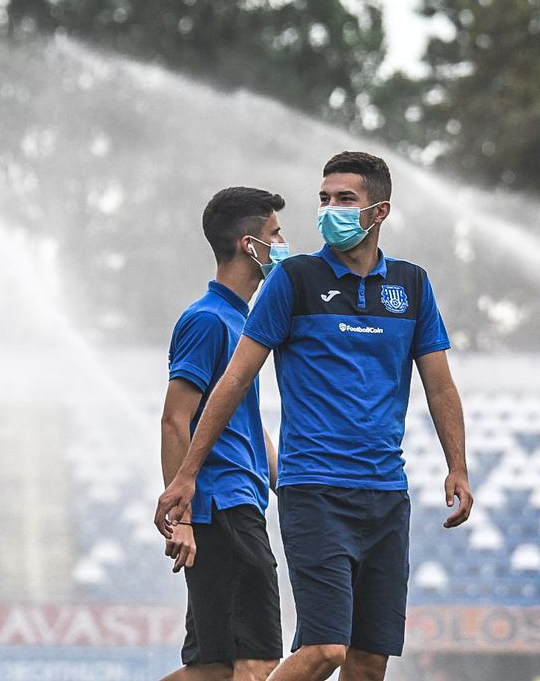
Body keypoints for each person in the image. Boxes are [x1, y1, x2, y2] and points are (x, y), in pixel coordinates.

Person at [156, 151, 474, 681]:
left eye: (345, 199)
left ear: (379, 211)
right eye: (324, 199)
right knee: (324, 650)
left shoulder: (413, 286)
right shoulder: (293, 280)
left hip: (387, 494)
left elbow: (439, 384)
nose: (329, 210)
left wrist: (457, 465)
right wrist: (186, 474)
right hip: (316, 490)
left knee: (369, 665)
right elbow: (233, 381)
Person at [159, 186, 289, 681]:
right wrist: (184, 518)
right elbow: (175, 420)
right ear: (248, 245)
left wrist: (294, 486)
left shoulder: (244, 321)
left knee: (212, 669)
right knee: (255, 665)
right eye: (275, 234)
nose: (283, 243)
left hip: (239, 503)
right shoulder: (209, 320)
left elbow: (248, 429)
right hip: (224, 508)